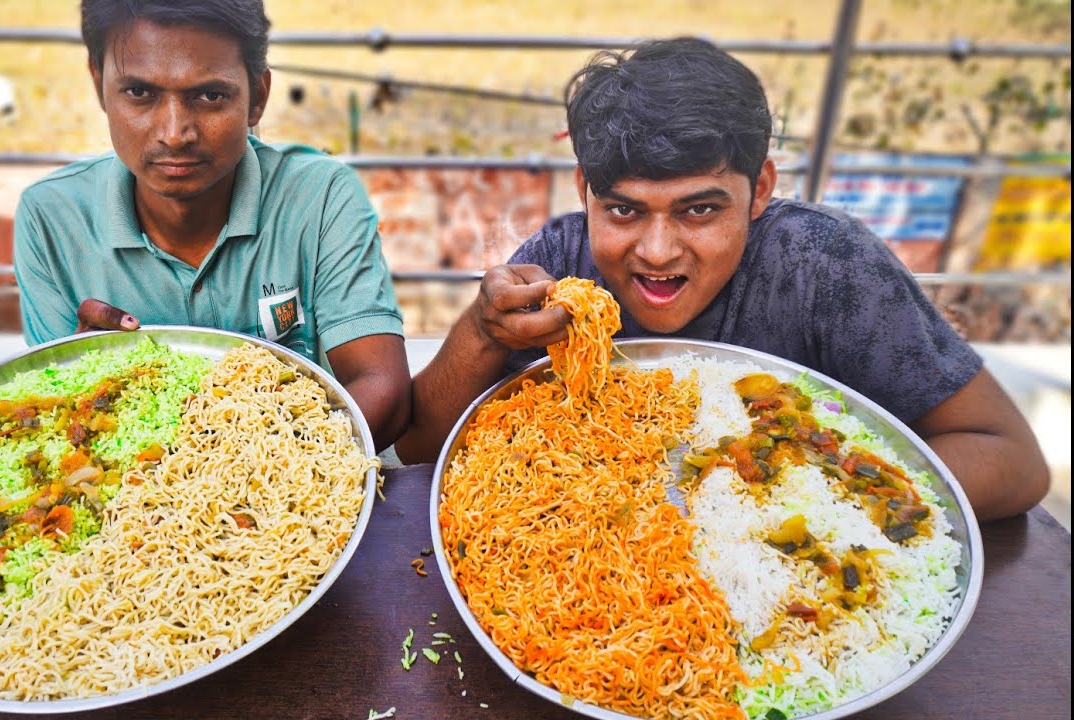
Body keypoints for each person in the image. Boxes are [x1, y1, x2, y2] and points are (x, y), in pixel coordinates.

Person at [396, 37, 1050, 521]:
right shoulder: (560, 262)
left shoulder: (826, 268)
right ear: (583, 191)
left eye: (699, 209)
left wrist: (816, 493)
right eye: (623, 210)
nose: (656, 252)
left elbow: (1013, 461)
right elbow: (420, 446)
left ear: (760, 187)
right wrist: (483, 329)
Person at [12, 0, 410, 450]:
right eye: (140, 93)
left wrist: (250, 477)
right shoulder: (50, 219)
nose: (175, 133)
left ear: (257, 96)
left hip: (292, 482)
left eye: (210, 96)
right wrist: (85, 380)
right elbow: (52, 424)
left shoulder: (320, 198)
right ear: (97, 82)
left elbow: (384, 389)